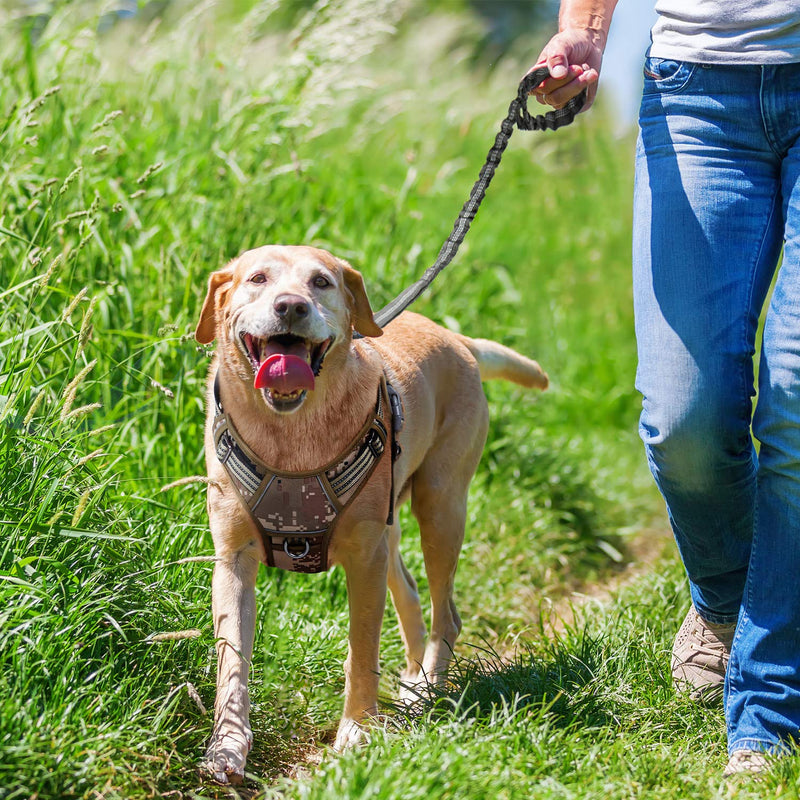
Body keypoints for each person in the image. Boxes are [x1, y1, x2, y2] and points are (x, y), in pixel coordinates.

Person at [528, 0, 800, 777]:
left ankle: (768, 712)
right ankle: (726, 598)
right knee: (684, 416)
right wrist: (583, 32)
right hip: (695, 90)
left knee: (797, 400)